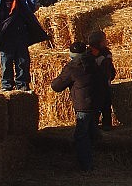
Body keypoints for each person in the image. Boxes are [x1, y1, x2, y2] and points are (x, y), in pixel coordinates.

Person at [51, 41, 108, 172]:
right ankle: (100, 152)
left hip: (84, 105)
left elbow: (57, 86)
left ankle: (86, 166)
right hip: (96, 103)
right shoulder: (94, 63)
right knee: (92, 130)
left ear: (72, 54)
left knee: (81, 135)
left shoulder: (72, 67)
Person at [0, 0, 49, 91]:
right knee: (6, 62)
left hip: (20, 35)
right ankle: (6, 85)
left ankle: (22, 85)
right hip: (6, 36)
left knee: (22, 62)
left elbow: (31, 9)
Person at [87, 30, 116, 131]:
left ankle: (97, 128)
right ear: (100, 43)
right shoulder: (104, 56)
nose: (106, 42)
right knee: (104, 108)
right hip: (100, 86)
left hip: (92, 87)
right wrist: (110, 77)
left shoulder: (87, 54)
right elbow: (108, 71)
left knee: (99, 109)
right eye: (105, 40)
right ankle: (104, 128)